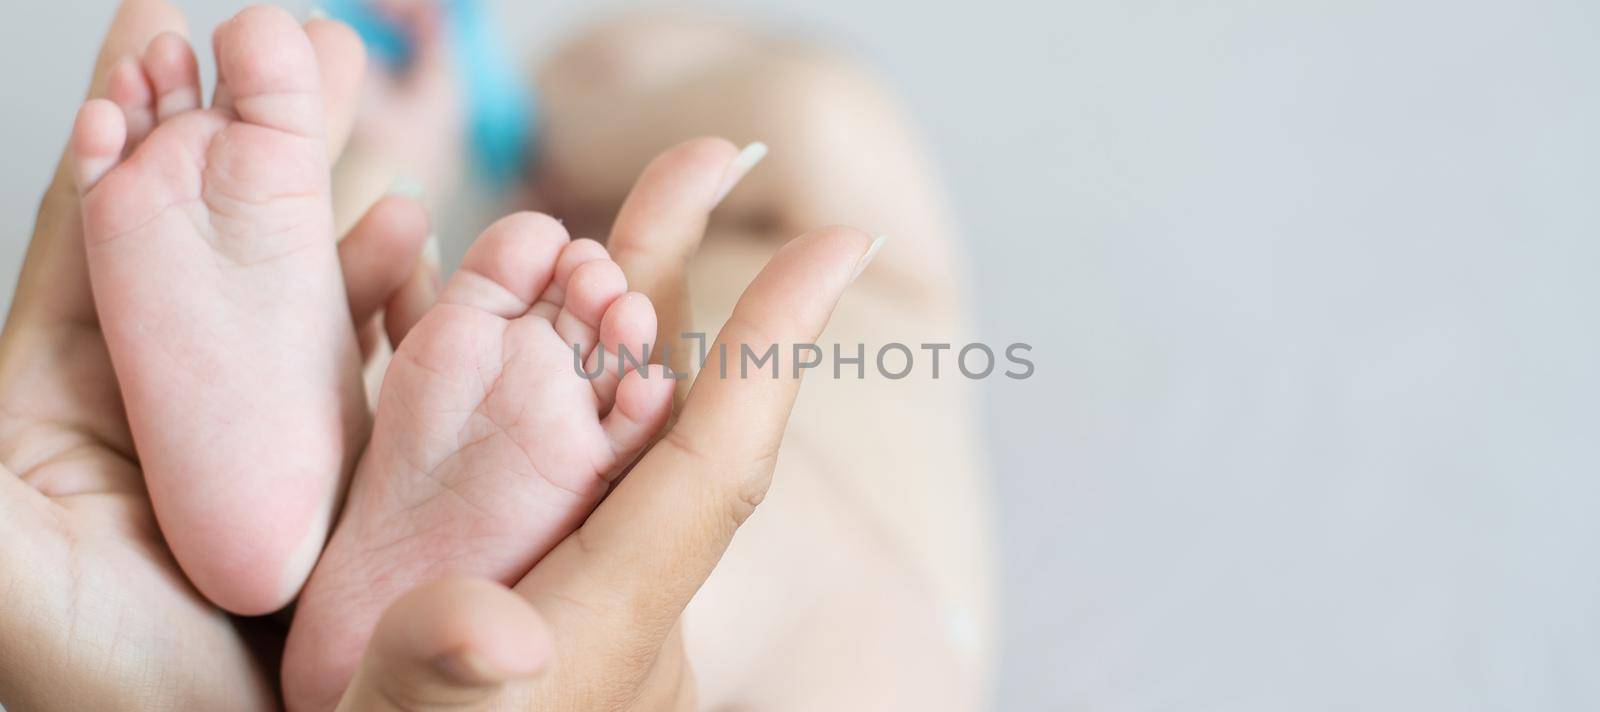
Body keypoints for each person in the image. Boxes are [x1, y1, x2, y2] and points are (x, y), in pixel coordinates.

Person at [0, 2, 991, 709]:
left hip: (856, 608)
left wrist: (509, 120)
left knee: (400, 309)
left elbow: (810, 104)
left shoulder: (799, 137)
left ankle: (355, 509)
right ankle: (358, 514)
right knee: (394, 319)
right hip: (879, 613)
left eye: (614, 66)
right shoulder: (535, 350)